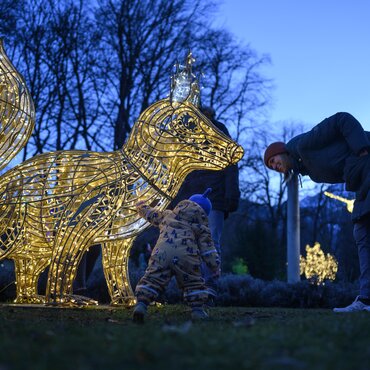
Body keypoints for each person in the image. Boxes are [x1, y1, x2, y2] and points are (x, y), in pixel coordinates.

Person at [264, 111, 370, 313]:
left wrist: (362, 150)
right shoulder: (311, 172)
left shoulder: (304, 145)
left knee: (363, 231)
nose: (276, 167)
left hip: (367, 162)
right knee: (362, 233)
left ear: (283, 152)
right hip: (362, 180)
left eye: (275, 160)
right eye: (272, 167)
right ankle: (366, 299)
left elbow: (342, 119)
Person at [171, 106, 240, 300]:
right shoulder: (183, 137)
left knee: (209, 241)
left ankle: (209, 286)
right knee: (189, 242)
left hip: (213, 197)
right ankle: (193, 286)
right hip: (189, 198)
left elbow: (231, 164)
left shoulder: (218, 131)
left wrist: (231, 195)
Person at [132, 188, 221, 323]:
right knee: (193, 281)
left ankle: (141, 304)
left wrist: (141, 206)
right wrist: (214, 266)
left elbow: (152, 214)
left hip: (162, 253)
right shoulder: (202, 227)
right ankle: (197, 310)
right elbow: (208, 249)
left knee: (152, 278)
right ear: (204, 213)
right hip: (187, 257)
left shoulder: (168, 215)